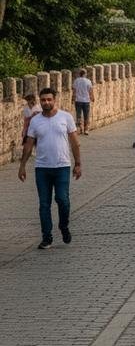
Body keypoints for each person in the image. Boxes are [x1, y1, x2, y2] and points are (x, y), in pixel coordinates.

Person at [18, 88, 81, 249]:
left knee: (62, 200)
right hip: (42, 168)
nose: (46, 102)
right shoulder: (35, 121)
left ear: (55, 100)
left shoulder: (65, 117)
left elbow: (74, 142)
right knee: (44, 204)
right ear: (40, 101)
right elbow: (29, 144)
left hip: (62, 166)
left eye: (49, 99)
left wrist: (78, 163)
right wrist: (22, 165)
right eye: (43, 100)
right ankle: (47, 237)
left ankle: (63, 226)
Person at [71, 68, 94, 135]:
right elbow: (90, 91)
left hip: (78, 100)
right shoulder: (88, 81)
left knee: (78, 115)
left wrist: (72, 99)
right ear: (85, 74)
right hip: (86, 101)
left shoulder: (76, 81)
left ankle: (80, 128)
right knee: (86, 115)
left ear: (79, 74)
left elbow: (74, 91)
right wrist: (92, 98)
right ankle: (86, 130)